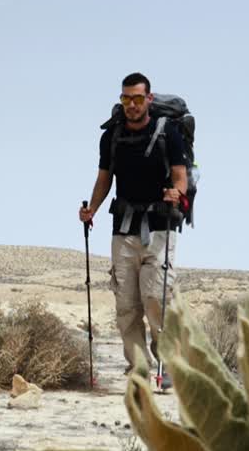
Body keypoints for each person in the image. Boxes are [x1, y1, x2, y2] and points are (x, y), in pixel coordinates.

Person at [79, 72, 188, 387]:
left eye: (138, 99)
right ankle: (138, 368)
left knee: (155, 298)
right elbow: (104, 179)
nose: (132, 105)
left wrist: (176, 193)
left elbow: (180, 176)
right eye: (126, 99)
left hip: (159, 228)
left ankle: (167, 365)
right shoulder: (112, 136)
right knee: (126, 305)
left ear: (149, 100)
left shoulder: (169, 134)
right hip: (122, 229)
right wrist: (91, 210)